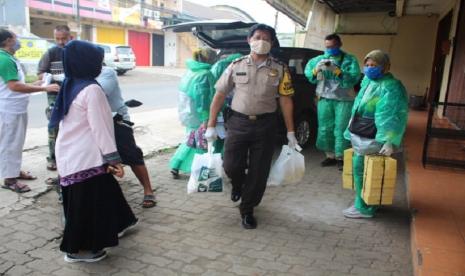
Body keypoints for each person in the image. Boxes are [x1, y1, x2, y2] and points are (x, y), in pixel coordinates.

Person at [50, 40, 137, 262]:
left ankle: (121, 222)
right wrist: (114, 159)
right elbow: (102, 128)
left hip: (70, 152)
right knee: (86, 206)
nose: (101, 64)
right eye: (98, 61)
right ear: (86, 62)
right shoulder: (91, 89)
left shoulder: (72, 83)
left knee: (102, 194)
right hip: (85, 156)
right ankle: (79, 251)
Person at [205, 24, 297, 229]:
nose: (261, 41)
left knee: (259, 171)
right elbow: (219, 95)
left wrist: (291, 131)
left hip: (266, 125)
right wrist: (211, 125)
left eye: (266, 38)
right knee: (231, 165)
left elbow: (286, 100)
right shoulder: (235, 65)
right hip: (237, 123)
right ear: (249, 40)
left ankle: (247, 209)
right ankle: (238, 184)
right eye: (257, 37)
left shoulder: (280, 69)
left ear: (272, 43)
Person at [342, 49, 408, 219]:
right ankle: (369, 203)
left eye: (374, 65)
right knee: (365, 170)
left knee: (364, 170)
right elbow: (358, 105)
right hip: (362, 132)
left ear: (385, 67)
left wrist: (388, 140)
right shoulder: (369, 81)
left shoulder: (390, 87)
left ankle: (364, 208)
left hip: (374, 136)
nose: (369, 68)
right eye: (367, 64)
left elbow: (390, 116)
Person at [0, 29, 60, 193]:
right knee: (10, 143)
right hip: (9, 110)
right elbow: (14, 86)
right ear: (8, 41)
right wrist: (44, 88)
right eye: (15, 38)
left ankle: (14, 171)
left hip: (16, 108)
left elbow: (17, 82)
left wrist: (38, 82)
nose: (18, 40)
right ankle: (9, 180)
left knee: (16, 142)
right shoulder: (3, 59)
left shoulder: (9, 58)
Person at [96, 65, 157, 208]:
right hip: (96, 122)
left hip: (117, 119)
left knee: (132, 155)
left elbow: (99, 92)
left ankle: (148, 190)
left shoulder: (107, 72)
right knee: (98, 158)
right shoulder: (81, 75)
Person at [304, 33, 361, 170]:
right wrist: (316, 69)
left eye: (333, 46)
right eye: (327, 46)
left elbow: (354, 78)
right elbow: (310, 77)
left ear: (340, 44)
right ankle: (330, 156)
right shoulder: (318, 59)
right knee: (325, 128)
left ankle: (342, 157)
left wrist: (338, 71)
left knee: (341, 128)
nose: (330, 49)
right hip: (324, 99)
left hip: (344, 100)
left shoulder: (349, 60)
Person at [169, 48, 219, 179]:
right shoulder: (205, 74)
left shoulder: (190, 71)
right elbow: (203, 99)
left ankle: (176, 164)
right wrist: (206, 118)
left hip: (187, 112)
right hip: (198, 114)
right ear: (210, 59)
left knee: (190, 140)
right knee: (200, 143)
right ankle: (201, 172)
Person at [37, 25, 71, 171]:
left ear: (70, 37)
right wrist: (53, 78)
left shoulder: (74, 52)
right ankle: (52, 158)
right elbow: (40, 74)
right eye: (57, 39)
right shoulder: (50, 53)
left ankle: (70, 157)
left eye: (63, 38)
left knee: (71, 126)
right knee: (53, 126)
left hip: (72, 93)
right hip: (54, 95)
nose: (60, 42)